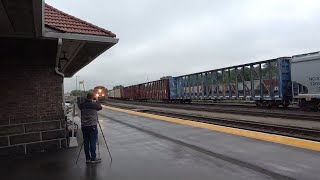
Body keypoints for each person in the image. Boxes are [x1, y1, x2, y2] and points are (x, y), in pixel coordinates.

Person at [79, 92, 102, 163]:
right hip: (92, 126)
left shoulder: (82, 105)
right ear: (92, 97)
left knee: (86, 142)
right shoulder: (93, 104)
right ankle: (93, 158)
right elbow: (100, 107)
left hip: (84, 126)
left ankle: (87, 158)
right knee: (92, 141)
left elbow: (80, 104)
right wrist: (97, 100)